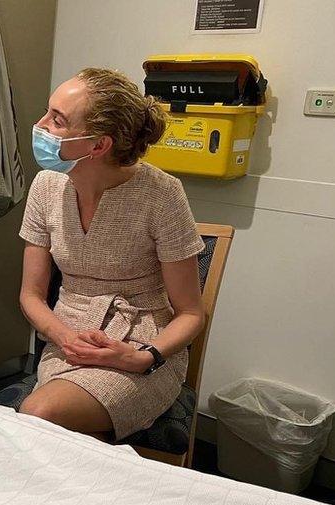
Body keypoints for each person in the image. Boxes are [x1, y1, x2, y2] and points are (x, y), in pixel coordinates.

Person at [18, 67, 206, 441]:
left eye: (57, 120)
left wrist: (142, 357)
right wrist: (63, 336)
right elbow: (31, 295)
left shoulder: (161, 195)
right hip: (69, 342)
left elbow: (191, 313)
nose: (40, 126)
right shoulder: (46, 186)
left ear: (98, 145)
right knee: (65, 433)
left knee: (40, 415)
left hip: (142, 346)